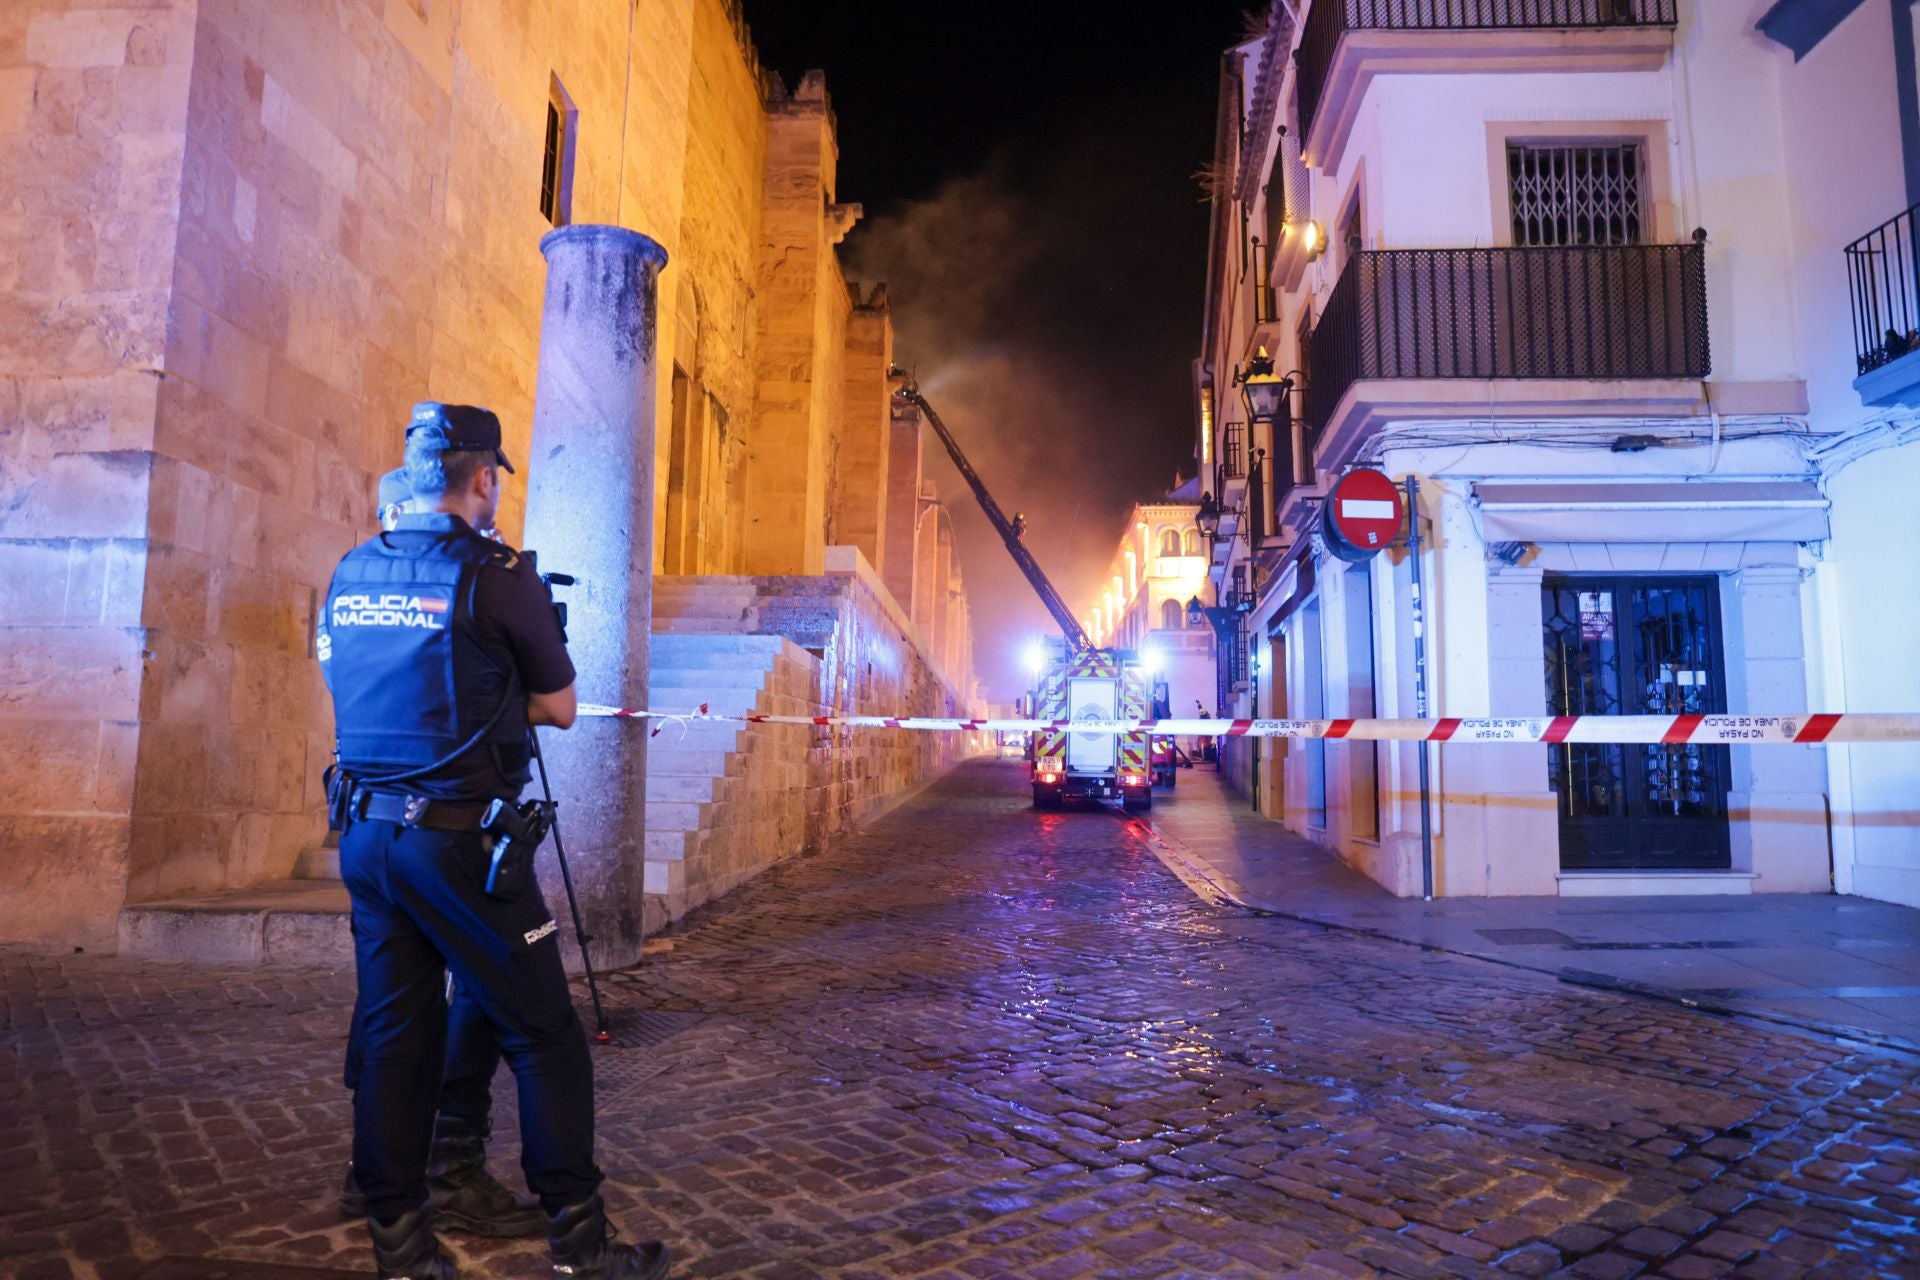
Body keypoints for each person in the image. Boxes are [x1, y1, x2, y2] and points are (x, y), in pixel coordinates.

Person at [319, 402, 670, 1280]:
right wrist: (498, 682)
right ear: (483, 479)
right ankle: (581, 1246)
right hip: (460, 846)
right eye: (494, 482)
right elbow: (559, 707)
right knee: (547, 1036)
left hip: (366, 838)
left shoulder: (350, 568)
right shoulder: (496, 574)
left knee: (398, 1034)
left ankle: (403, 1252)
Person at [338, 467, 544, 1242]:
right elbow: (546, 700)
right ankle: (445, 1162)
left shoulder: (357, 584)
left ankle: (382, 1173)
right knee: (488, 997)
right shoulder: (467, 583)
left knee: (392, 1008)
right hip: (448, 827)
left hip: (376, 824)